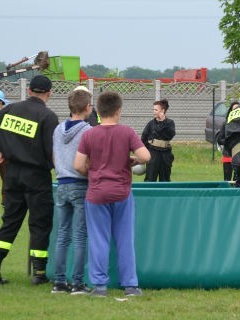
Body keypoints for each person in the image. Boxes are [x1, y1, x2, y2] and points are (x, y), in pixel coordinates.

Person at [0, 75, 59, 285]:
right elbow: (52, 150)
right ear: (48, 93)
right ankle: (39, 274)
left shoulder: (10, 110)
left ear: (29, 91)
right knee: (40, 224)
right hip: (37, 177)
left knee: (10, 222)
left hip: (12, 174)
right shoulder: (47, 117)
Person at [74, 91, 151, 297]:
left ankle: (99, 287)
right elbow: (145, 156)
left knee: (99, 240)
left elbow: (78, 165)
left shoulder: (89, 134)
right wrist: (133, 159)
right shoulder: (127, 133)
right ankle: (131, 286)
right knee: (125, 240)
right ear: (119, 111)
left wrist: (91, 172)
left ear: (98, 111)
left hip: (97, 193)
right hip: (122, 192)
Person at [50, 86, 93, 295]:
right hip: (79, 183)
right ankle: (77, 282)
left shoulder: (58, 129)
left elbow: (54, 156)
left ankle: (59, 282)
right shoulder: (87, 131)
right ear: (87, 107)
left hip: (61, 183)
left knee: (62, 234)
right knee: (80, 235)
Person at [141, 99, 176, 182]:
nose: (154, 111)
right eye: (153, 109)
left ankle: (165, 194)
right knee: (150, 178)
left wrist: (163, 122)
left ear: (162, 110)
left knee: (165, 179)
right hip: (153, 154)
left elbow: (170, 135)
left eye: (156, 110)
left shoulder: (170, 123)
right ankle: (148, 194)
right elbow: (144, 138)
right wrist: (145, 152)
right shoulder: (150, 124)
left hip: (166, 154)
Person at [216, 101, 240, 181]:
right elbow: (220, 139)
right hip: (228, 155)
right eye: (234, 109)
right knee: (227, 180)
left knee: (238, 180)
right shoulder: (226, 124)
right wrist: (229, 142)